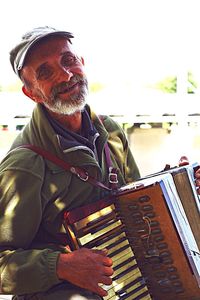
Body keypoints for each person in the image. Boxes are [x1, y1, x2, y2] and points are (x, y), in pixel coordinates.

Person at [0, 26, 141, 300]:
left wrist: (177, 183)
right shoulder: (24, 165)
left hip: (128, 281)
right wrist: (60, 266)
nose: (65, 75)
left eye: (68, 60)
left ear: (82, 64)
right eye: (45, 72)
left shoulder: (111, 131)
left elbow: (136, 200)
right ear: (32, 93)